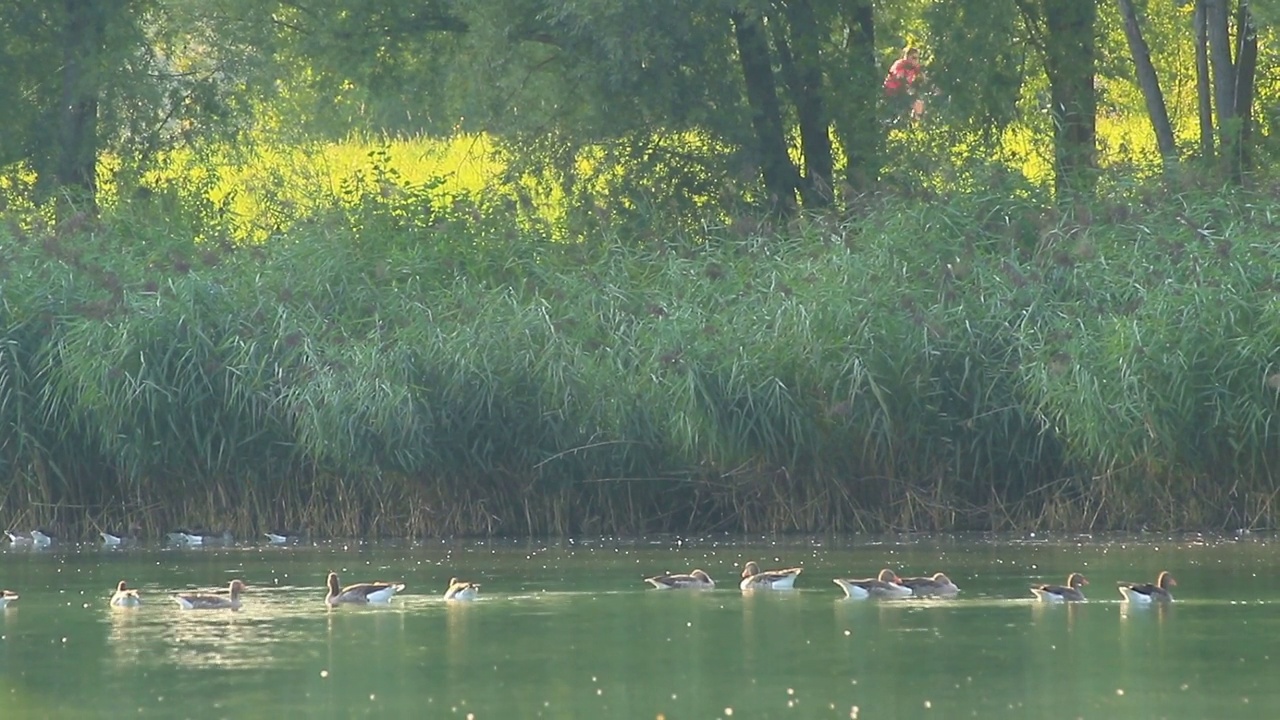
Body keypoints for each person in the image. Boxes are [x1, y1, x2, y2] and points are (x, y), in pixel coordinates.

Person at [883, 46, 929, 122]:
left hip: (904, 91)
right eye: (914, 58)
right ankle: (912, 119)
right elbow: (896, 73)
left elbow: (922, 76)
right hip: (893, 92)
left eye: (917, 58)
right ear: (907, 57)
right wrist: (900, 77)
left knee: (919, 102)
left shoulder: (914, 67)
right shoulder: (900, 64)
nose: (916, 60)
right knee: (914, 102)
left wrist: (923, 79)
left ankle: (916, 120)